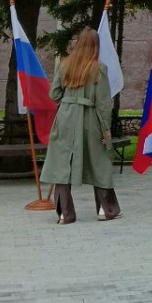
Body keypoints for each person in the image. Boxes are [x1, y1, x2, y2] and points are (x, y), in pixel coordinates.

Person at [40, 28, 120, 225]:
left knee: (61, 164)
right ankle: (105, 209)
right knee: (98, 162)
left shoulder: (65, 64)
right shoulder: (98, 68)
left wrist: (68, 101)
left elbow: (53, 94)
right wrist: (106, 130)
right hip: (89, 119)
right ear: (95, 46)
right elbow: (103, 103)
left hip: (65, 118)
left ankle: (63, 214)